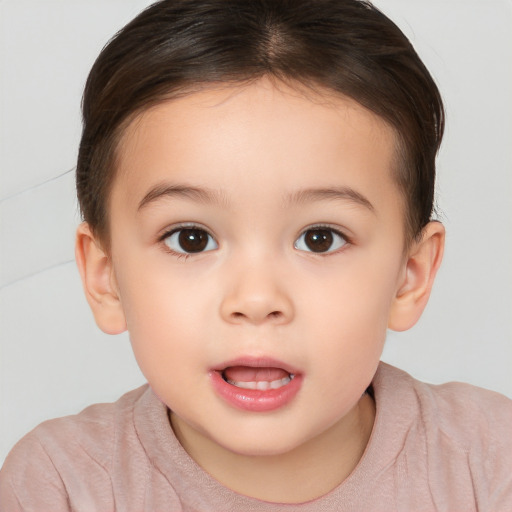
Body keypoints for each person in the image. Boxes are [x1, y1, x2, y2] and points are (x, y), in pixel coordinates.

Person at [1, 0, 510, 510]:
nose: (257, 299)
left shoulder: (488, 461)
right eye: (191, 238)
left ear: (410, 275)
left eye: (320, 238)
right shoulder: (60, 485)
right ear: (104, 276)